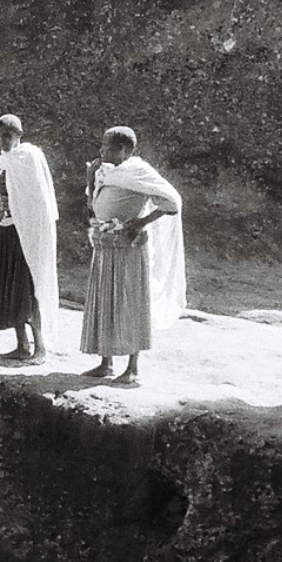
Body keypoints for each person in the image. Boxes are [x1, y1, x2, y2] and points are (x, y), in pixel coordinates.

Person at [80, 127, 184, 387]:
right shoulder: (106, 173)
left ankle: (133, 367)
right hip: (106, 244)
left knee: (129, 301)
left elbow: (172, 202)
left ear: (124, 150)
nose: (102, 151)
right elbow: (94, 207)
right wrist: (91, 178)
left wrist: (141, 222)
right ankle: (106, 362)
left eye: (108, 147)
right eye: (102, 146)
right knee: (105, 300)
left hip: (129, 247)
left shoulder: (138, 172)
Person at [0, 114, 59, 363]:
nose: (2, 140)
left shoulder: (29, 158)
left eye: (7, 135)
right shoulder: (2, 163)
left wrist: (26, 224)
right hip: (6, 231)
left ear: (19, 135)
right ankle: (22, 345)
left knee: (29, 288)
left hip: (26, 233)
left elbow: (37, 199)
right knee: (10, 287)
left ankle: (40, 347)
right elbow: (2, 198)